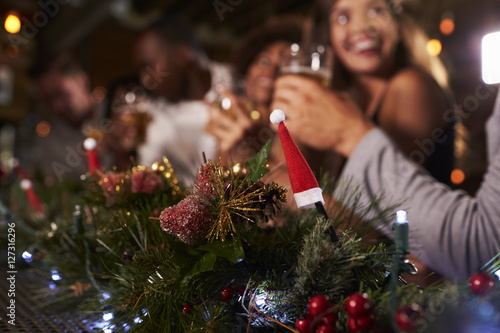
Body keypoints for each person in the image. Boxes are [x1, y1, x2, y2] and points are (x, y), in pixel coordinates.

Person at [272, 0, 455, 187]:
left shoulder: (411, 85)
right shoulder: (350, 105)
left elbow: (375, 204)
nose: (362, 27)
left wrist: (275, 179)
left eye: (377, 11)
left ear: (397, 25)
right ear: (329, 36)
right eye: (342, 17)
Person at [133, 14, 232, 186]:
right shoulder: (154, 116)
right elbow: (147, 182)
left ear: (182, 55)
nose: (145, 80)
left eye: (148, 67)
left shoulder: (239, 84)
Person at [205, 17, 303, 164]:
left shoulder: (295, 129)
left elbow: (296, 184)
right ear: (247, 70)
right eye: (264, 61)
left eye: (283, 66)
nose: (271, 70)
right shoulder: (220, 116)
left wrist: (247, 156)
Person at [30, 53, 111, 183]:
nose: (55, 106)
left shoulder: (115, 113)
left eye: (61, 94)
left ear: (82, 82)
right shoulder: (50, 141)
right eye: (48, 99)